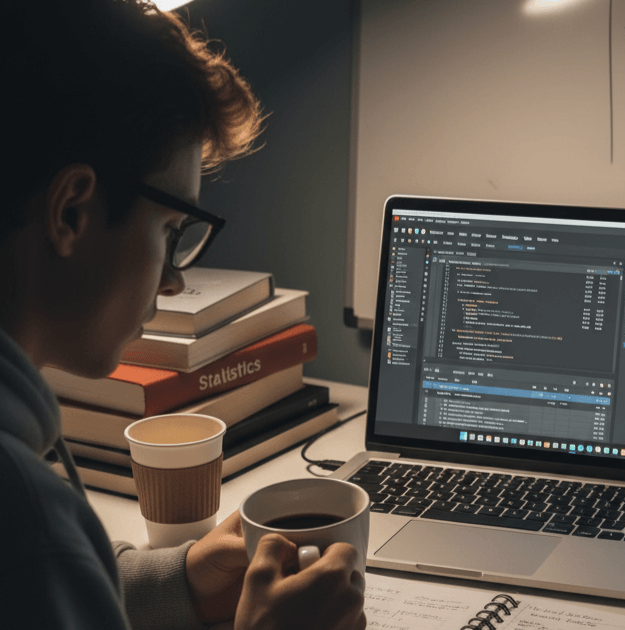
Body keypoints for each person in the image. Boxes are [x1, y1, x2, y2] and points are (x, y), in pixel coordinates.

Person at [0, 1, 365, 628]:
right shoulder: (26, 520)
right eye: (171, 229)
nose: (173, 280)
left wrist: (182, 579)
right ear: (71, 213)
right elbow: (40, 563)